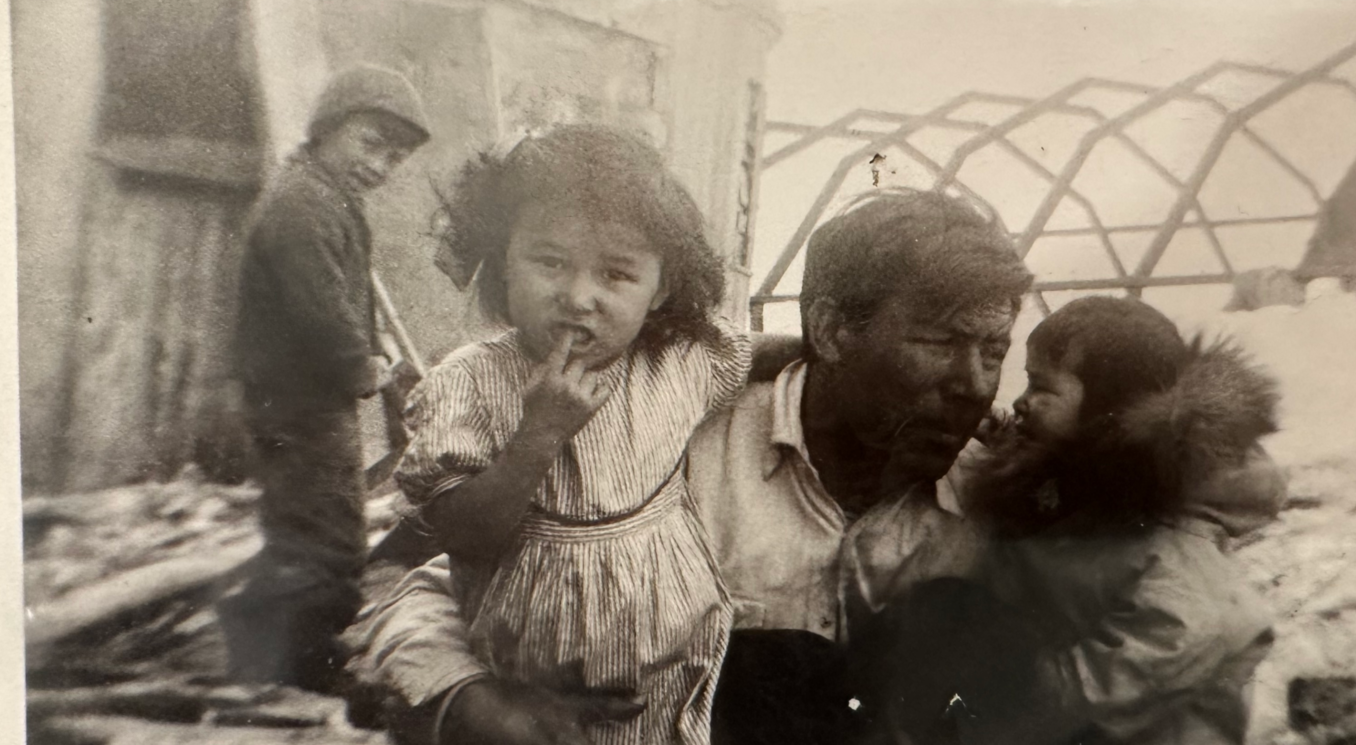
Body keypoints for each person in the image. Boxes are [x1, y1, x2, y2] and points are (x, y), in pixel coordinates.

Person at [347, 187, 1035, 745]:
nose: (974, 383)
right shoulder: (671, 437)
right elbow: (427, 592)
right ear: (829, 330)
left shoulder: (1000, 498)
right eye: (940, 342)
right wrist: (471, 703)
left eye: (994, 350)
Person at [853, 296, 1286, 745]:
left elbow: (1204, 626)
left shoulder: (1171, 532)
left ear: (1109, 410)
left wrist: (1028, 689)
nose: (1022, 402)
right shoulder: (1087, 485)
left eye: (1042, 388)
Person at [221, 64, 432, 693]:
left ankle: (255, 641)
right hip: (299, 405)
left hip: (303, 401)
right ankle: (306, 674)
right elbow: (319, 307)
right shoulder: (303, 205)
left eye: (394, 157)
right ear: (328, 128)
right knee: (330, 543)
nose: (380, 165)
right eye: (371, 144)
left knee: (303, 530)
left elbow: (343, 295)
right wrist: (361, 364)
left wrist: (373, 352)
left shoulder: (325, 196)